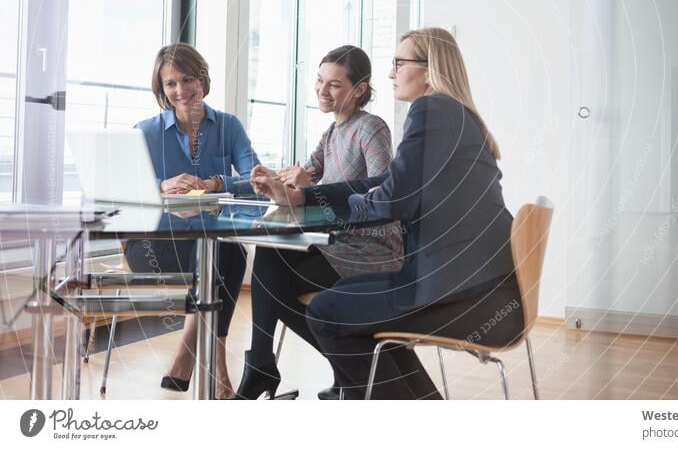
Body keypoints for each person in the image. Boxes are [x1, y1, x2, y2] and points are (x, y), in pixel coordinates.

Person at [249, 27, 524, 399]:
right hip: (484, 289)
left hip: (463, 294)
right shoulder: (455, 114)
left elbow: (392, 199)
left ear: (428, 69)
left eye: (398, 63)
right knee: (347, 299)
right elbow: (389, 186)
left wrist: (337, 198)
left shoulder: (432, 109)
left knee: (328, 311)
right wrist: (305, 199)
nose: (391, 72)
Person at [235, 45, 403, 400]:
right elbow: (303, 176)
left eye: (335, 85)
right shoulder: (331, 134)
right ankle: (264, 364)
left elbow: (381, 187)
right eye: (319, 80)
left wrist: (311, 189)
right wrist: (271, 180)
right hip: (337, 243)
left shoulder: (371, 128)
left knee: (271, 283)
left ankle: (345, 366)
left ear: (359, 89)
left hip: (372, 249)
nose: (322, 91)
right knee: (268, 260)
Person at [123, 43, 259, 399]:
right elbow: (117, 189)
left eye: (188, 79)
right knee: (222, 260)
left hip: (209, 243)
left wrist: (217, 182)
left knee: (227, 255)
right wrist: (159, 186)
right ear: (161, 89)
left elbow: (256, 182)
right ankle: (216, 366)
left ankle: (187, 355)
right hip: (152, 244)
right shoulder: (146, 131)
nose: (180, 91)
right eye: (170, 84)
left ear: (203, 80)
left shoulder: (228, 126)